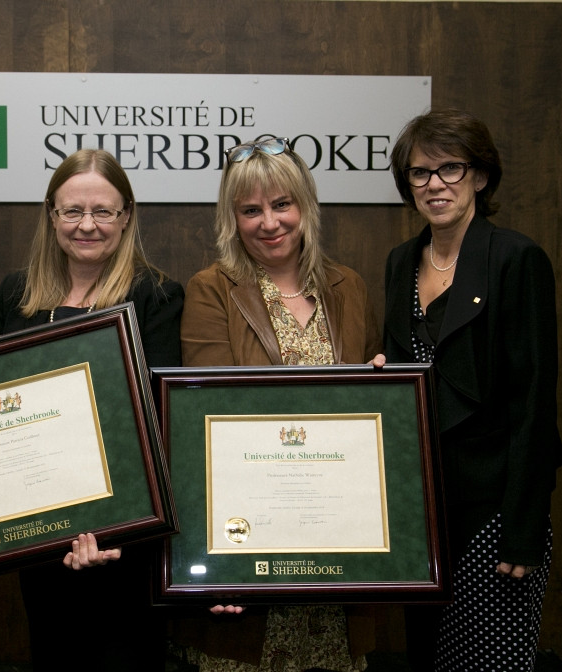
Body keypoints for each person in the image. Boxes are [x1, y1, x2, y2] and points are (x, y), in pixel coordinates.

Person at [0, 148, 183, 671]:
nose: (87, 225)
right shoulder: (18, 294)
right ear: (51, 216)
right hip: (38, 538)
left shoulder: (157, 295)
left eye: (103, 212)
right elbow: (1, 408)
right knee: (53, 655)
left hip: (120, 544)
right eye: (72, 211)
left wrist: (109, 528)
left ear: (127, 217)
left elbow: (156, 425)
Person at [174, 136, 381, 672]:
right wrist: (222, 564)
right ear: (232, 218)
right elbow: (206, 432)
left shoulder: (350, 287)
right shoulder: (212, 290)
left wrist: (384, 397)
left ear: (306, 205)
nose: (269, 222)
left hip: (336, 548)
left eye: (282, 204)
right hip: (249, 549)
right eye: (250, 210)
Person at [375, 108, 562, 671]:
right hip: (423, 510)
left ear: (480, 176)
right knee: (428, 657)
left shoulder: (516, 259)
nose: (435, 184)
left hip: (495, 511)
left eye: (450, 168)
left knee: (487, 661)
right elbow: (408, 373)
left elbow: (535, 400)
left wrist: (523, 530)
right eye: (419, 173)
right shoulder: (400, 262)